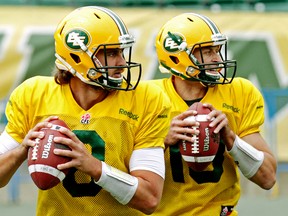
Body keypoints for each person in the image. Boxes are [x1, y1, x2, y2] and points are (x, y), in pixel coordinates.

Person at [0, 6, 171, 216]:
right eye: (110, 53)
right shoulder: (34, 94)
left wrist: (94, 167)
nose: (122, 63)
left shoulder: (146, 99)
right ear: (78, 57)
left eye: (121, 52)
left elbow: (150, 198)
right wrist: (20, 151)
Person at [149, 13, 277, 216]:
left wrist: (232, 140)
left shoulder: (239, 92)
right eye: (207, 51)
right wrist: (160, 141)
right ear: (177, 56)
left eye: (217, 50)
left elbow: (268, 178)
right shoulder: (147, 98)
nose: (218, 59)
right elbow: (122, 173)